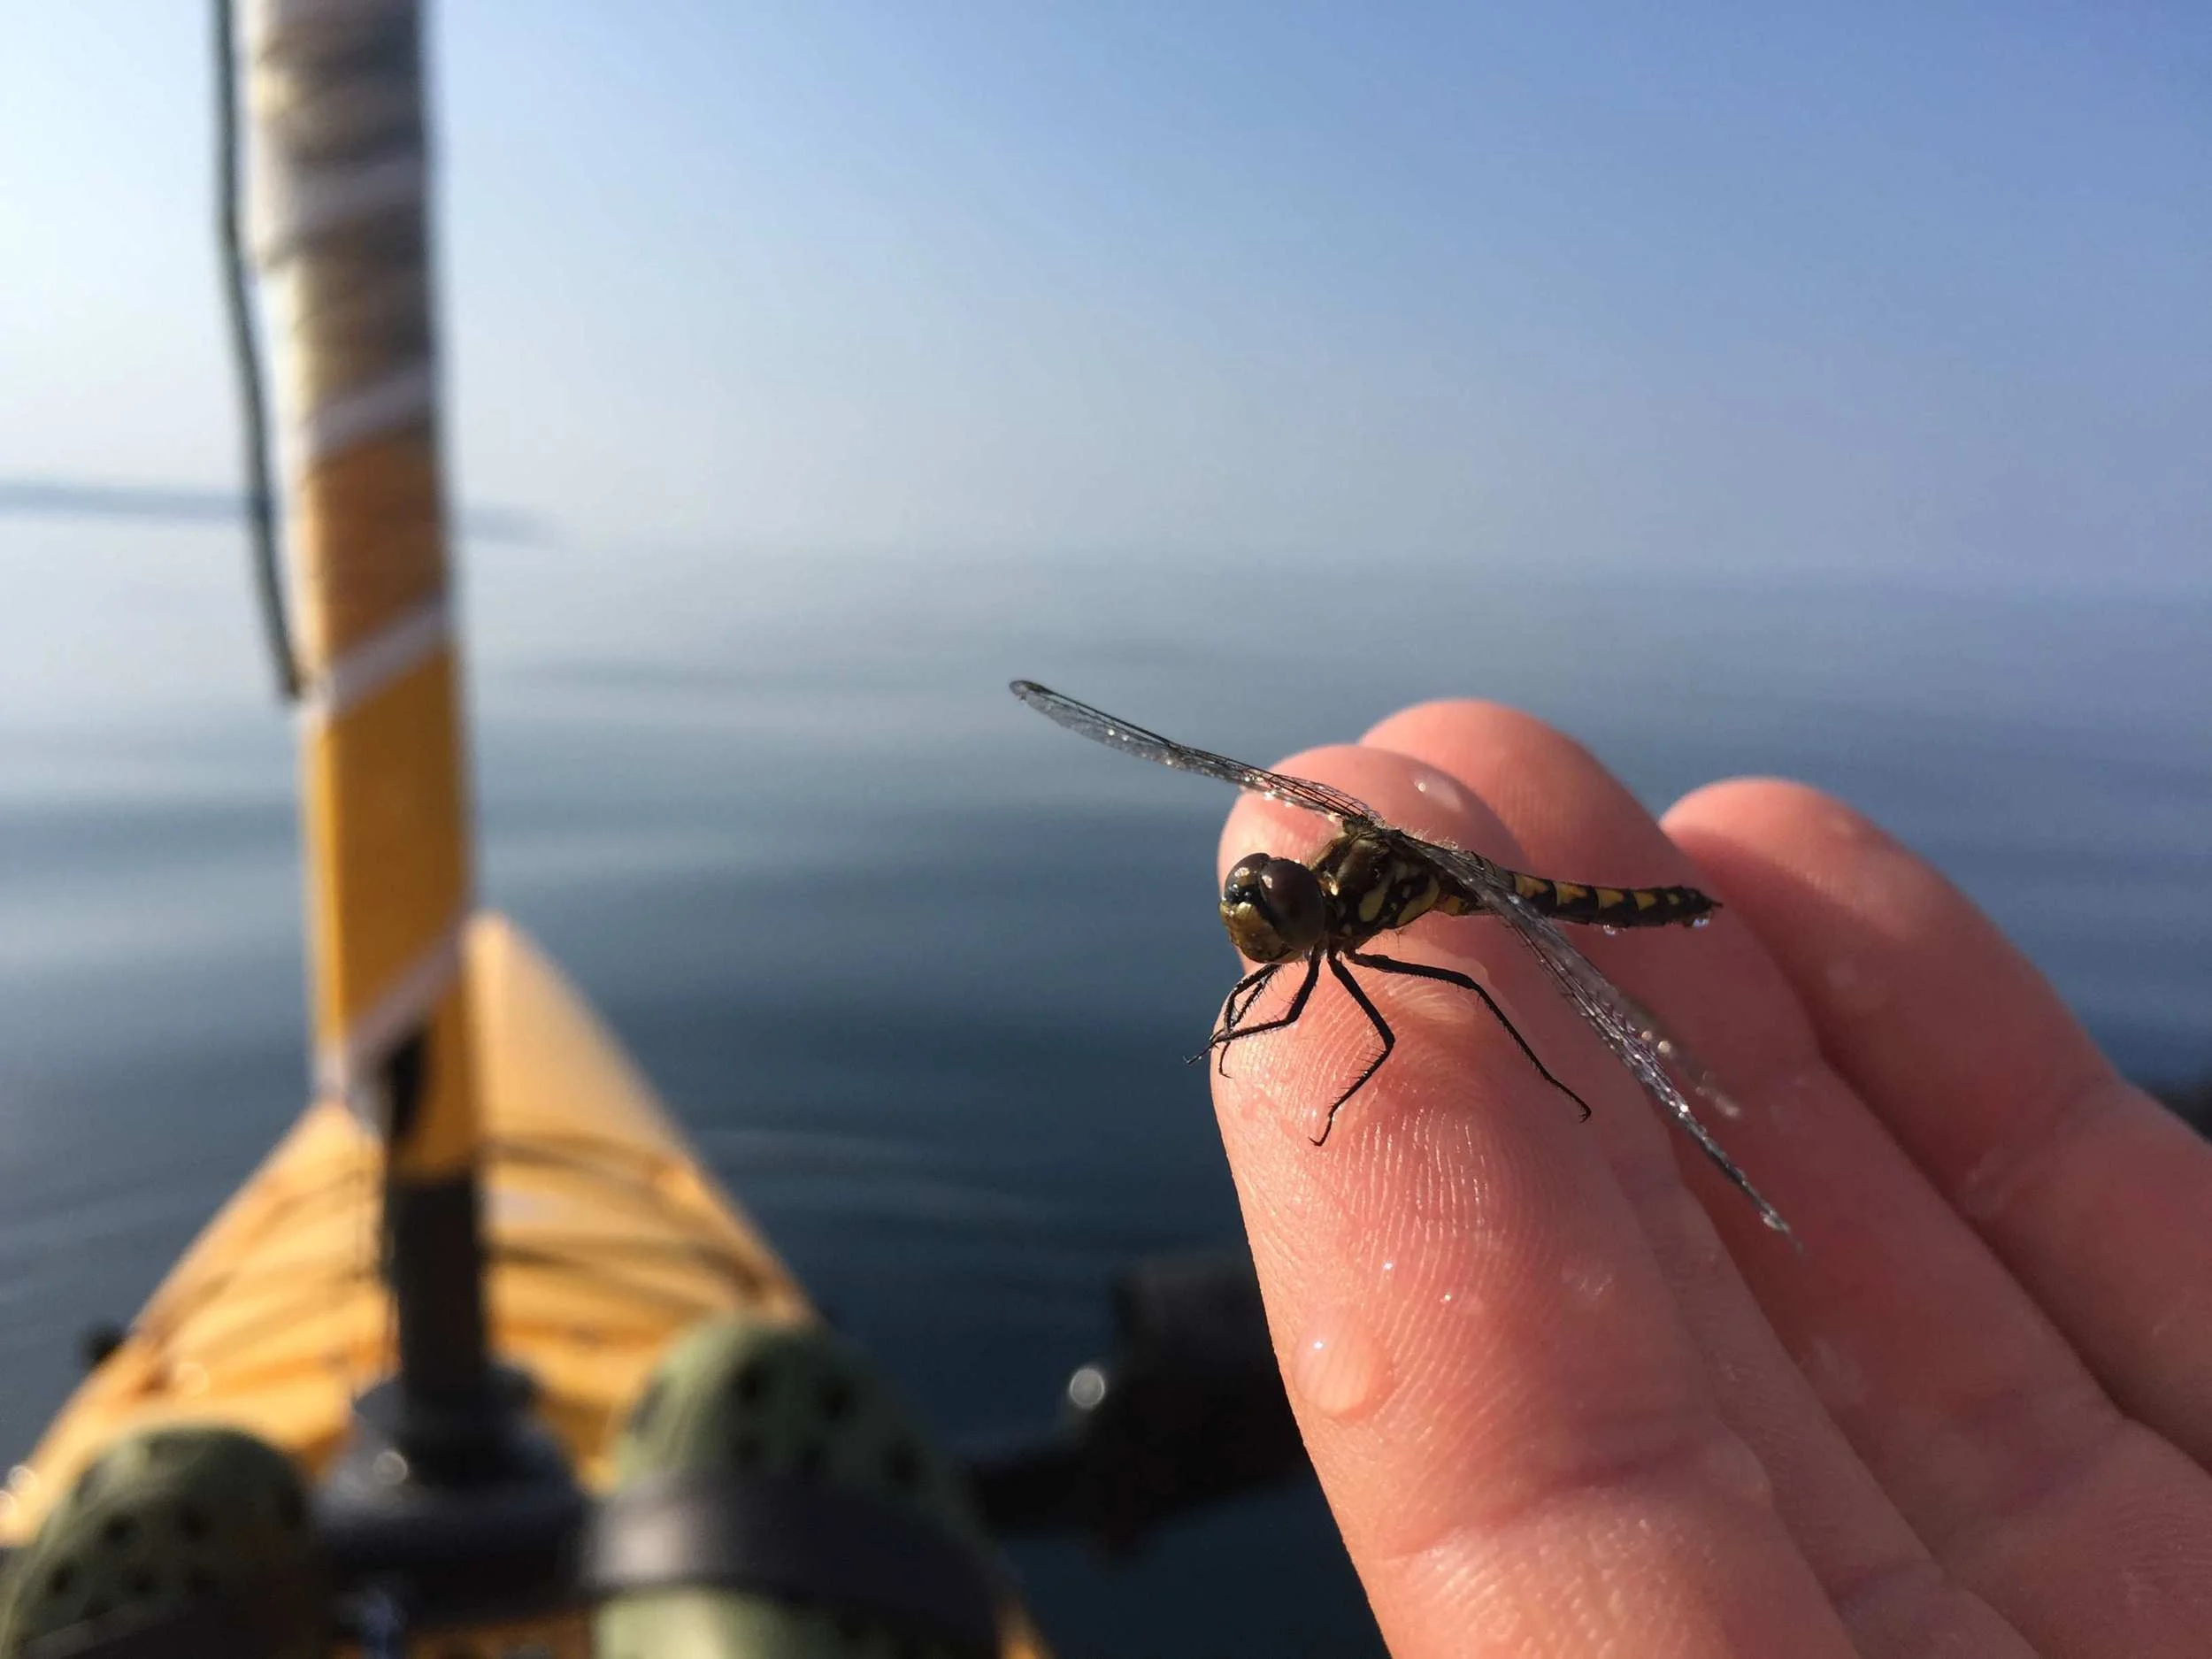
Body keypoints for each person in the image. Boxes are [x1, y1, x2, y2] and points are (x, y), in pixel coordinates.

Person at [1209, 698, 2212, 1658]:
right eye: (1260, 897)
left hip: (1561, 898)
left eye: (1272, 906)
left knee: (1467, 982)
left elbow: (1352, 1025)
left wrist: (1366, 1092)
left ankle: (1628, 984)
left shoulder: (1364, 907)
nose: (1256, 915)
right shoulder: (1319, 896)